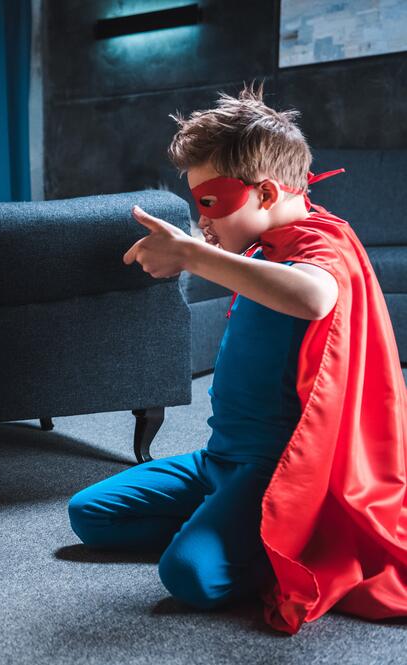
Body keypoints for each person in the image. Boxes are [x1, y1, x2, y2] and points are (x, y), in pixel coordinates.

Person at [67, 86, 407, 632]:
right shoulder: (260, 249)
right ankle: (225, 526)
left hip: (272, 474)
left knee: (188, 577)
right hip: (216, 460)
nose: (202, 220)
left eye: (211, 203)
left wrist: (190, 255)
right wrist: (200, 248)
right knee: (89, 514)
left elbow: (315, 295)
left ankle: (272, 538)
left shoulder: (321, 243)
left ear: (267, 192)